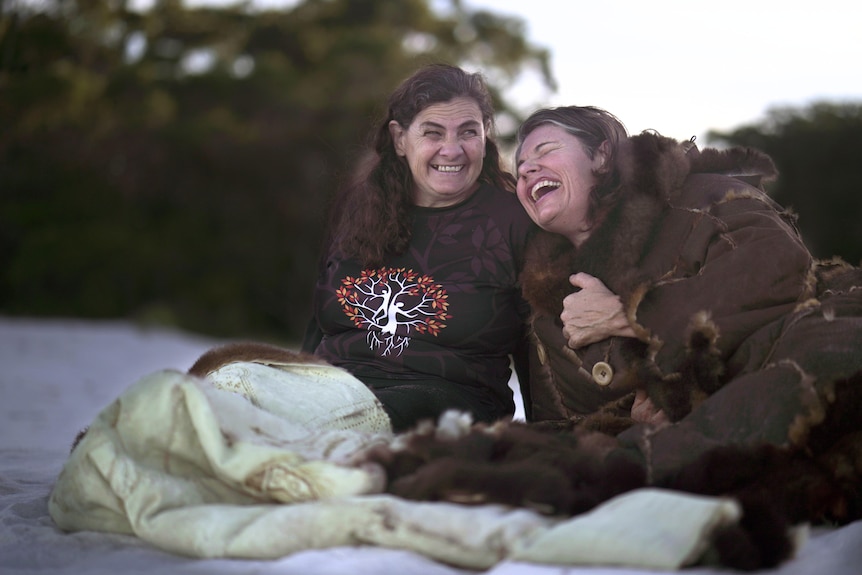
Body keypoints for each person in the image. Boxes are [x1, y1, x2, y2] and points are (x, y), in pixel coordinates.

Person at [513, 105, 862, 519]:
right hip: (696, 434)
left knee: (834, 343)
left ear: (602, 155)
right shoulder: (546, 313)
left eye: (545, 151)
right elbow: (563, 426)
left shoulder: (699, 195)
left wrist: (633, 316)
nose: (527, 169)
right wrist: (639, 415)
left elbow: (778, 271)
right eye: (519, 167)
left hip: (788, 345)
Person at [302, 64, 536, 433]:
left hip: (450, 404)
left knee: (371, 416)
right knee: (229, 383)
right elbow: (320, 324)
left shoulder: (513, 222)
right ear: (399, 139)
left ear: (485, 136)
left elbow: (538, 348)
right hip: (333, 391)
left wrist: (552, 436)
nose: (452, 148)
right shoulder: (359, 206)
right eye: (433, 132)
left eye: (468, 132)